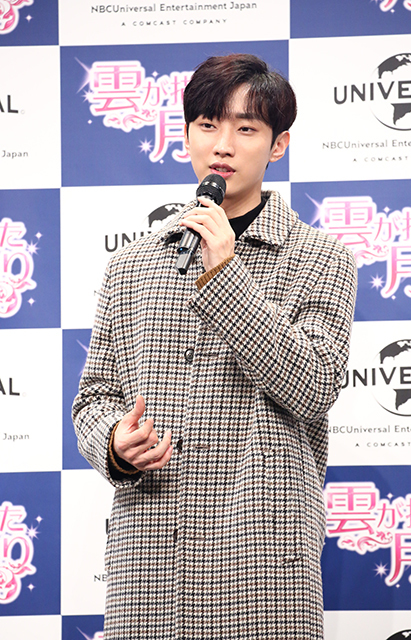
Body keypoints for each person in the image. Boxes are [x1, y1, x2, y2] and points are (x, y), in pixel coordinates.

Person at [73, 53, 357, 640]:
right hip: (149, 559)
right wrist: (115, 443)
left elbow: (314, 387)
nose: (223, 145)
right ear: (186, 136)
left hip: (263, 563)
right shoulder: (132, 265)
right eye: (207, 124)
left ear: (278, 145)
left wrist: (225, 274)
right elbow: (94, 397)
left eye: (246, 129)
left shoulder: (322, 258)